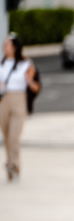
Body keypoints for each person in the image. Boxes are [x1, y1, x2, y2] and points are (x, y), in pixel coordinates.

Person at [0, 34, 41, 182]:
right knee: (6, 136)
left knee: (14, 136)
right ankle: (10, 163)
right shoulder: (2, 64)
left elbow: (36, 87)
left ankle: (14, 165)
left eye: (7, 45)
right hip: (4, 101)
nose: (4, 47)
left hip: (19, 100)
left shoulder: (26, 64)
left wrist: (29, 81)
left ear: (15, 47)